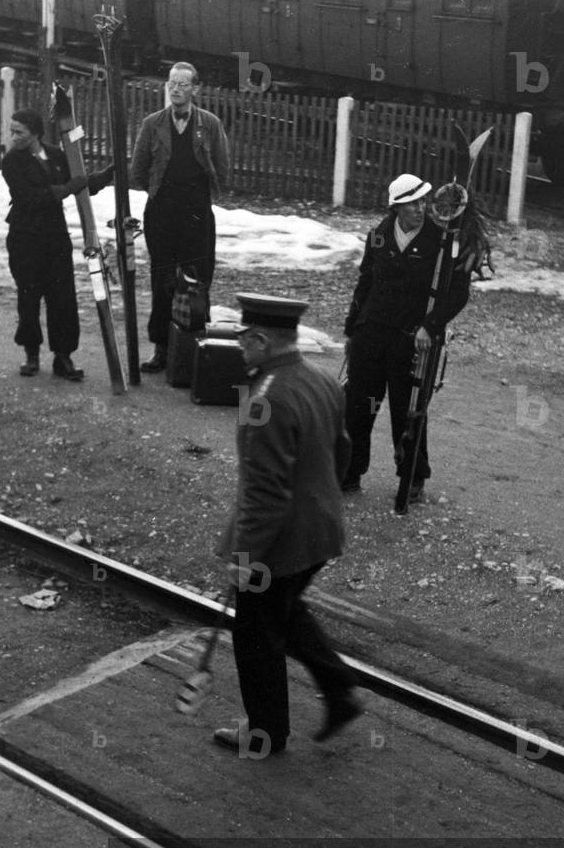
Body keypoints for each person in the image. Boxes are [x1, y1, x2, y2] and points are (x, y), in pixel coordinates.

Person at [214, 294, 361, 757]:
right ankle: (338, 688)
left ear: (261, 340)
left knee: (256, 635)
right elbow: (344, 450)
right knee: (286, 611)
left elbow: (265, 495)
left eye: (243, 341)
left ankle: (265, 734)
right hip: (320, 530)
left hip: (280, 543)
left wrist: (245, 559)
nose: (240, 350)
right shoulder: (319, 380)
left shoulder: (266, 400)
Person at [341, 172, 475, 509]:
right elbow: (365, 283)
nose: (420, 208)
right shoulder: (380, 236)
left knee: (409, 410)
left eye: (422, 201)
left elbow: (457, 294)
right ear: (396, 207)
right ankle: (350, 471)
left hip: (412, 339)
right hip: (371, 333)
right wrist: (351, 328)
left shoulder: (442, 241)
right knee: (359, 404)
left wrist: (430, 326)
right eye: (411, 203)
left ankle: (413, 475)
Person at [130, 61, 230, 373]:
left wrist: (196, 198)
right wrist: (163, 192)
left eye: (183, 84)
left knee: (197, 279)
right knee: (163, 280)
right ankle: (160, 348)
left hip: (197, 213)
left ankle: (194, 349)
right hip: (161, 212)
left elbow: (222, 168)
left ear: (196, 89)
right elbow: (138, 170)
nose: (175, 89)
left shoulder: (210, 124)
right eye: (171, 83)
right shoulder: (152, 123)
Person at [2, 108, 113, 380]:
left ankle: (63, 357)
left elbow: (77, 183)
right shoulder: (12, 162)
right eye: (12, 131)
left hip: (55, 238)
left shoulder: (55, 155)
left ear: (36, 133)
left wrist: (106, 175)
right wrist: (69, 188)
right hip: (25, 237)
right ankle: (31, 354)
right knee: (29, 297)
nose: (14, 137)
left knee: (62, 298)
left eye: (20, 132)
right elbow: (31, 198)